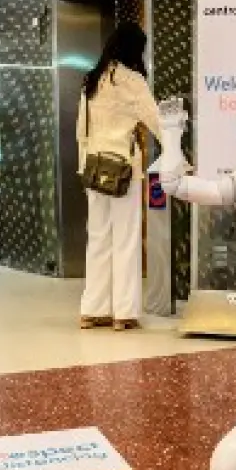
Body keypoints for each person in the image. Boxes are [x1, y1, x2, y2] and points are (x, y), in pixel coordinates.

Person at [77, 23, 162, 331]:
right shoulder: (132, 80)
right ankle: (124, 312)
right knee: (125, 239)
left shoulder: (92, 79)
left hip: (94, 167)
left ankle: (93, 309)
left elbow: (81, 130)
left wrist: (82, 166)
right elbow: (156, 120)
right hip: (123, 169)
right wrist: (176, 152)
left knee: (98, 238)